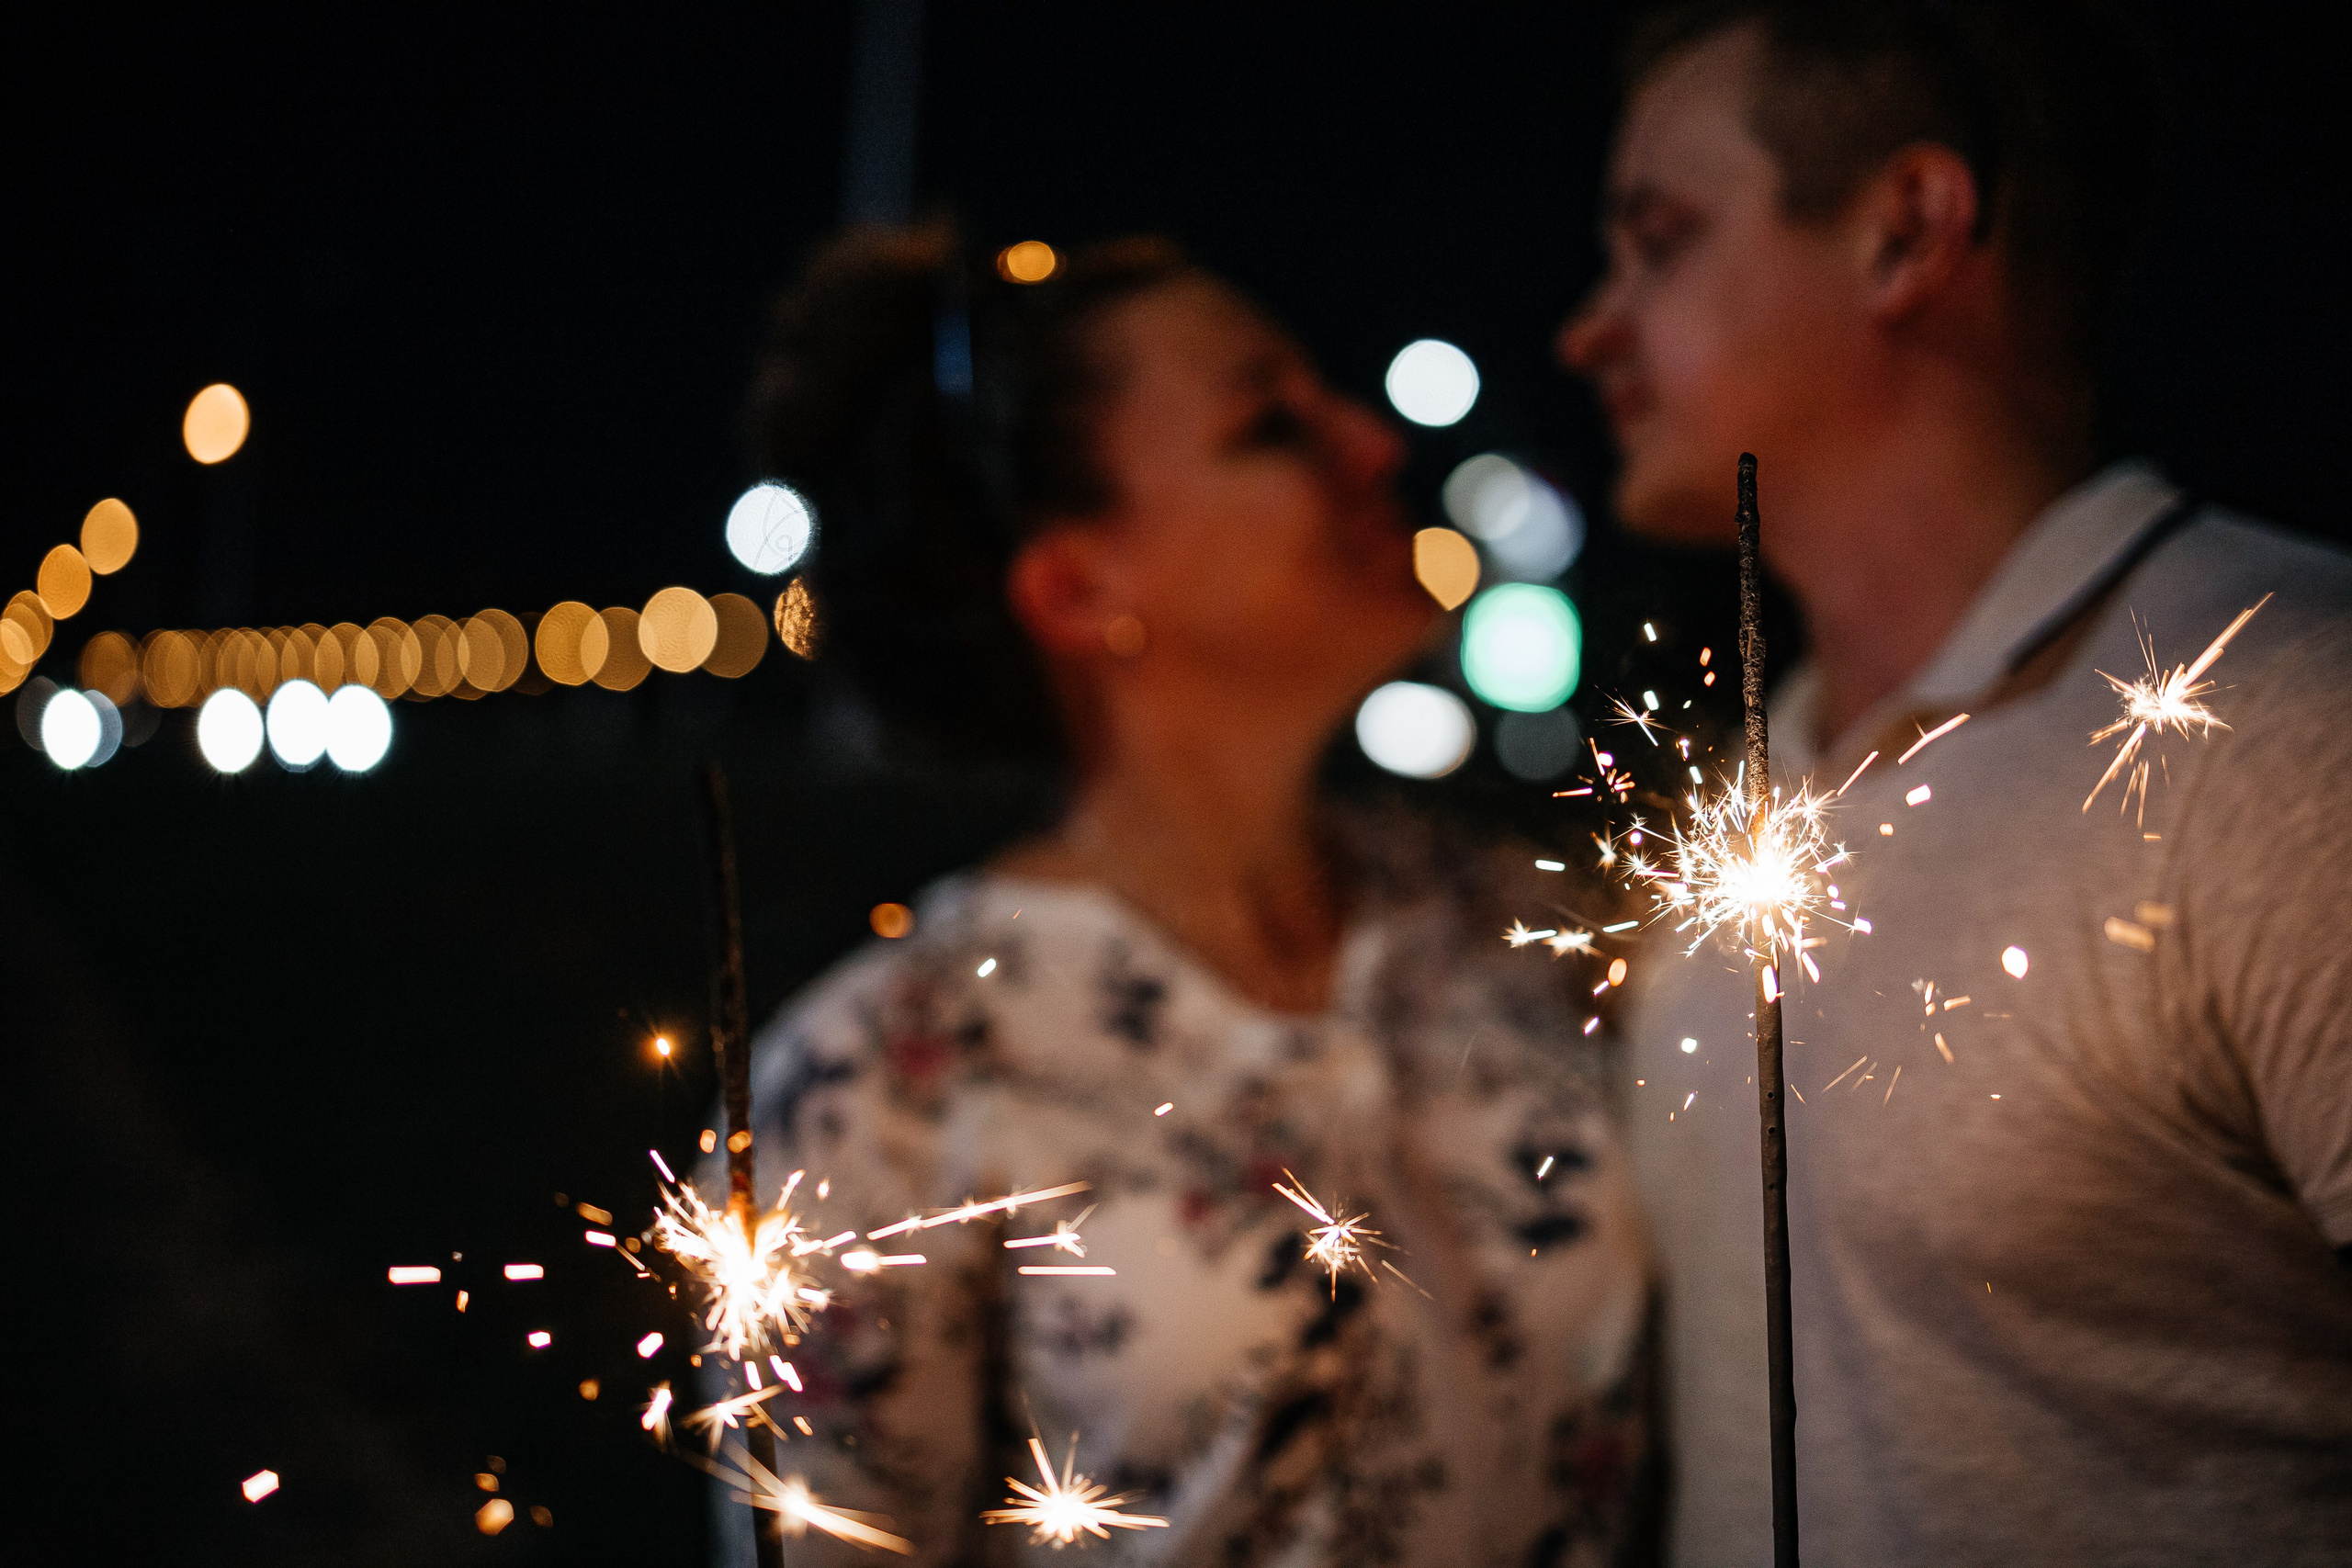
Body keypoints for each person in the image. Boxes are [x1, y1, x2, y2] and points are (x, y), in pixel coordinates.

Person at [709, 226, 1654, 1566]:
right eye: (1271, 424)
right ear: (1078, 586)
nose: (1373, 444)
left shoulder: (1530, 931)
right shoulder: (878, 1089)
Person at [1560, 3, 2352, 1564]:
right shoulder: (1756, 790)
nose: (1589, 329)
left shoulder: (2279, 725)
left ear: (1903, 231)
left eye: (1660, 240)